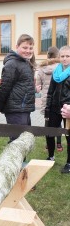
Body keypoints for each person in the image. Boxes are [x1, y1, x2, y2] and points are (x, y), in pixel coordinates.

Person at [0, 34, 38, 142]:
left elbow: (23, 85)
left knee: (23, 142)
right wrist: (0, 107)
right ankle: (13, 159)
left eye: (30, 48)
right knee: (17, 142)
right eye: (25, 47)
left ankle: (21, 160)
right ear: (17, 46)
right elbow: (4, 88)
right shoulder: (12, 64)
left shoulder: (25, 63)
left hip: (24, 109)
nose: (28, 51)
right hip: (16, 110)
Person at [45, 45, 70, 173]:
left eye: (67, 56)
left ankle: (69, 163)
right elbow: (50, 92)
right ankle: (50, 156)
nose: (65, 59)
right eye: (62, 56)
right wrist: (47, 108)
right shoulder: (56, 72)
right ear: (59, 57)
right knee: (50, 132)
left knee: (68, 135)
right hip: (54, 107)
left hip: (68, 110)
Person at [36, 46, 63, 152]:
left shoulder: (42, 69)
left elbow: (38, 87)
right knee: (59, 122)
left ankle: (48, 145)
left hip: (47, 100)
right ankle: (59, 144)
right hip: (59, 99)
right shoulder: (61, 67)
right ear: (58, 55)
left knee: (47, 122)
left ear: (47, 55)